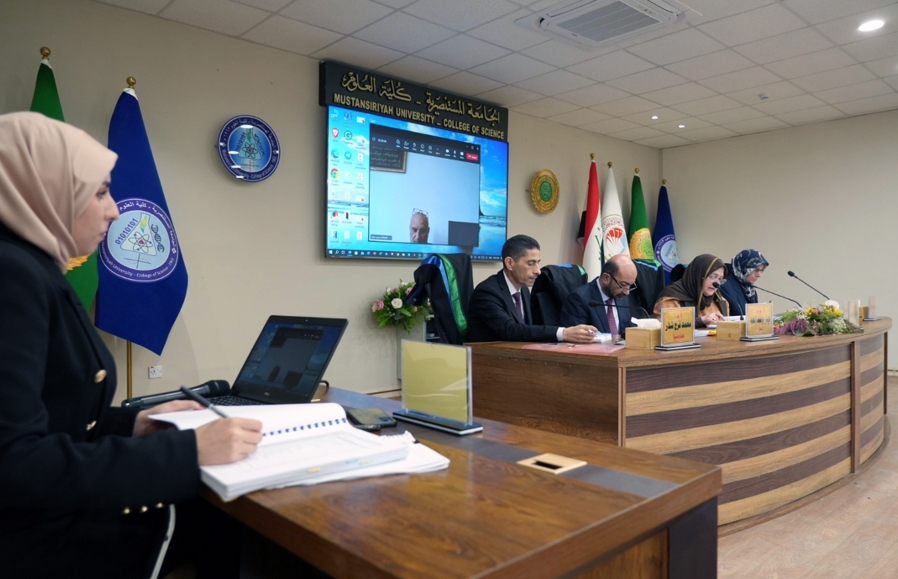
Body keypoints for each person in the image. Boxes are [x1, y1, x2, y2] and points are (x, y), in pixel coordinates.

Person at [0, 112, 263, 579]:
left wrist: (136, 424)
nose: (116, 211)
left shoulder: (32, 266)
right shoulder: (12, 274)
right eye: (101, 192)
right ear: (48, 189)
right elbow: (16, 465)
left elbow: (58, 418)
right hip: (37, 544)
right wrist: (188, 451)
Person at [466, 234, 597, 343]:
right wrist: (563, 333)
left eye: (537, 263)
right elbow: (509, 330)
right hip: (487, 360)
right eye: (530, 263)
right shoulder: (487, 292)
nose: (538, 271)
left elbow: (528, 329)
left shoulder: (523, 289)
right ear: (510, 263)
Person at [559, 254, 639, 337]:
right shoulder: (579, 299)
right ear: (606, 278)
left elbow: (626, 328)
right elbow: (577, 338)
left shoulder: (622, 298)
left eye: (630, 286)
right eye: (623, 284)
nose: (627, 292)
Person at [653, 253, 730, 328]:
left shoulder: (720, 301)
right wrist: (701, 321)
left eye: (720, 279)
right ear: (698, 275)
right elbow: (667, 327)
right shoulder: (671, 299)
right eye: (712, 276)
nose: (717, 284)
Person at [718, 249, 769, 316]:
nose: (759, 275)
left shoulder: (750, 289)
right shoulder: (724, 288)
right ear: (743, 268)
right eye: (756, 270)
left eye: (761, 270)